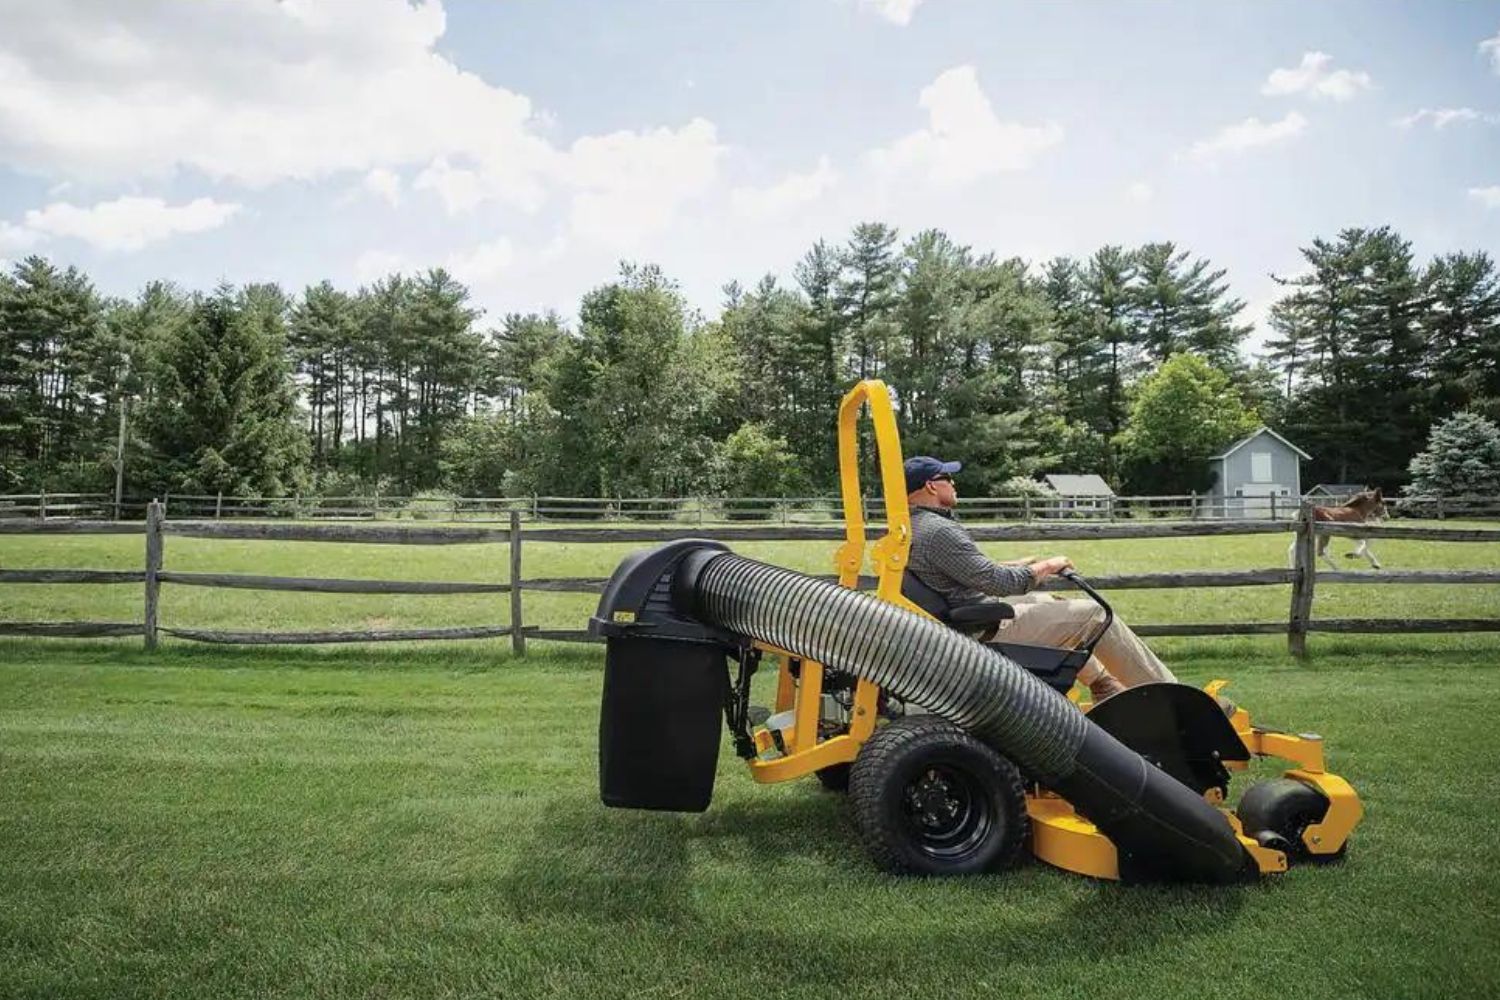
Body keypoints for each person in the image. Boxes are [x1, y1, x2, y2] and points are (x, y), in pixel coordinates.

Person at [902, 455, 1177, 701]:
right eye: (948, 478)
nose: (954, 483)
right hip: (984, 630)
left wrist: (1017, 565)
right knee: (1094, 615)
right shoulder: (938, 531)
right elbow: (1000, 583)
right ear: (931, 486)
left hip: (965, 620)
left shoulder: (912, 527)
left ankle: (1105, 686)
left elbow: (960, 572)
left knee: (1047, 599)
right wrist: (1049, 565)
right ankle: (1177, 700)